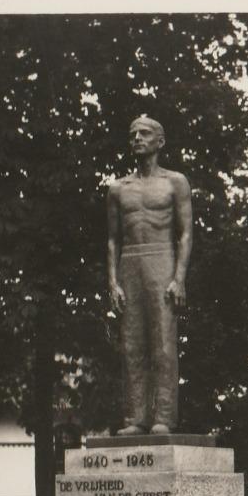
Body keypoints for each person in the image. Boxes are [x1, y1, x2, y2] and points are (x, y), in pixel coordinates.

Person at [107, 117, 193, 435]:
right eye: (133, 134)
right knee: (132, 346)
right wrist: (112, 282)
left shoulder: (175, 182)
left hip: (162, 259)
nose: (138, 138)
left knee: (163, 344)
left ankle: (165, 418)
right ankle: (135, 418)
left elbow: (185, 234)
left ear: (160, 141)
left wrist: (179, 277)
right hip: (130, 263)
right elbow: (113, 239)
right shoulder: (118, 188)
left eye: (145, 133)